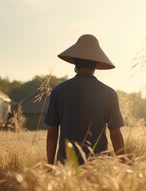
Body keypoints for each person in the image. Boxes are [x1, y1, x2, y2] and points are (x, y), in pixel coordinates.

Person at [45, 34, 125, 166]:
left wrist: (50, 166)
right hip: (97, 168)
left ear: (75, 62)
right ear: (96, 64)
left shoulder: (58, 92)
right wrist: (124, 167)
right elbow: (115, 135)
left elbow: (52, 134)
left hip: (66, 168)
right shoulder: (109, 94)